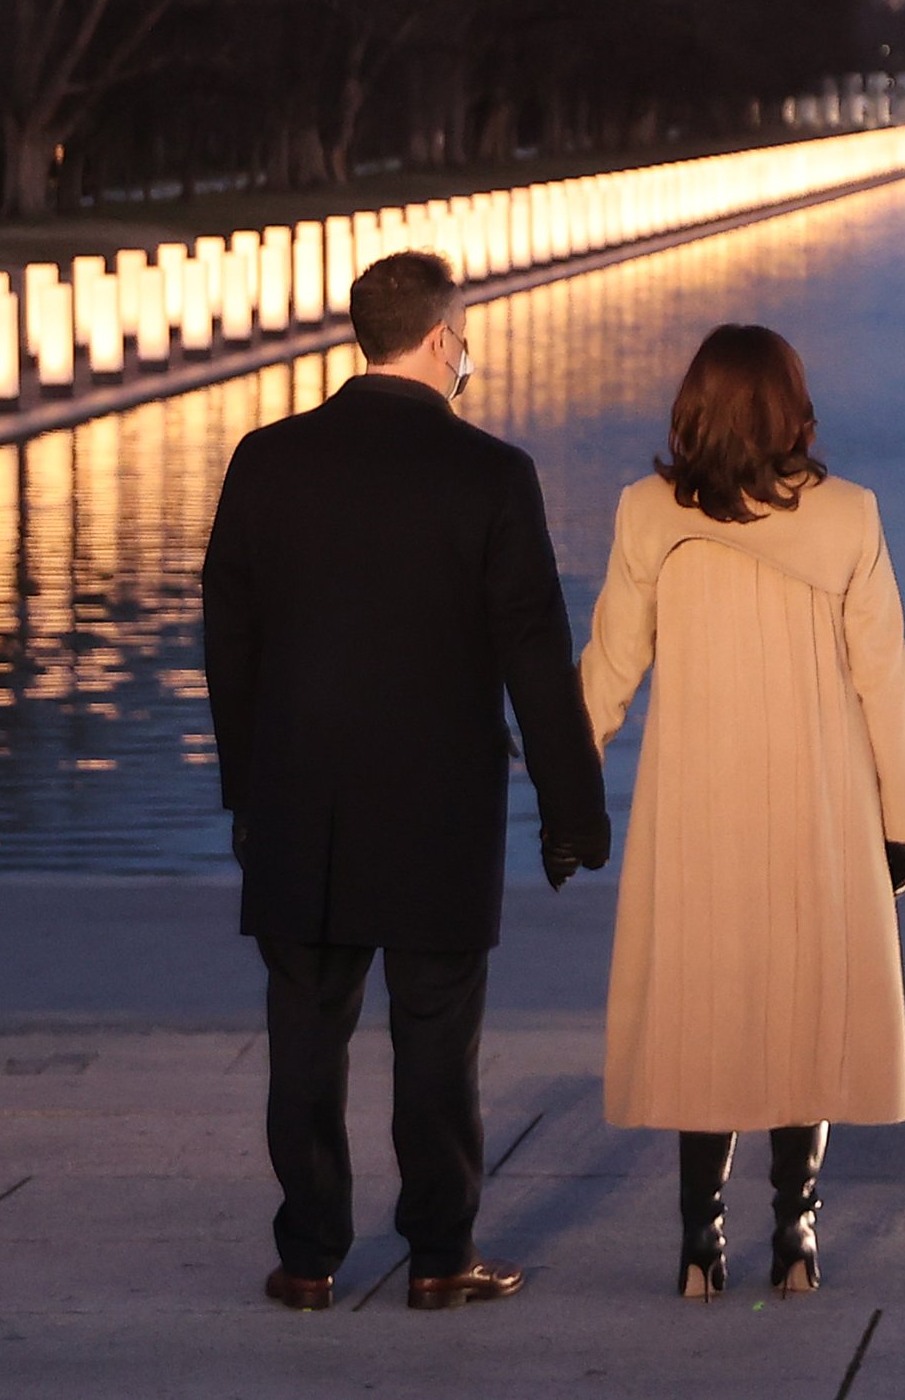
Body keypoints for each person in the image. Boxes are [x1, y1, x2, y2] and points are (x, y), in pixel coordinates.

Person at [200, 248, 610, 1314]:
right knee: (436, 1039)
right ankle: (438, 1255)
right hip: (436, 804)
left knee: (304, 1031)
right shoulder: (490, 474)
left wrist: (244, 787)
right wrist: (573, 815)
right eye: (461, 336)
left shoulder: (266, 459)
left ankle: (307, 1256)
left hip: (298, 798)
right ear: (440, 340)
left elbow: (228, 639)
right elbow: (531, 651)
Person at [578, 323, 905, 1302]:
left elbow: (609, 669)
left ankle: (700, 1242)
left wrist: (567, 785)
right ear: (791, 407)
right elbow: (884, 689)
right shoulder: (850, 517)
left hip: (695, 809)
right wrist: (901, 822)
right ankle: (799, 1235)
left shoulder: (648, 515)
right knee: (802, 1015)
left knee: (708, 1019)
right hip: (816, 811)